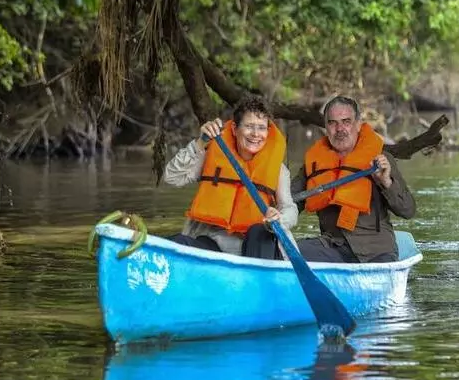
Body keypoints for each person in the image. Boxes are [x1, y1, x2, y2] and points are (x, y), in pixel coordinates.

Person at [163, 95, 298, 259]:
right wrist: (201, 142)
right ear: (234, 129)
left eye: (261, 128)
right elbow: (172, 177)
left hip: (256, 248)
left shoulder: (279, 170)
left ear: (267, 132)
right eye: (249, 126)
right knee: (178, 242)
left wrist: (279, 219)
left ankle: (256, 273)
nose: (255, 134)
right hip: (214, 245)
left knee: (258, 231)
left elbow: (290, 209)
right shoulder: (213, 155)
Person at [291, 95, 415, 263]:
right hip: (333, 247)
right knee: (283, 250)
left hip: (376, 252)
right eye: (332, 123)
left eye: (346, 121)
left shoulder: (380, 160)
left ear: (358, 124)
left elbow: (408, 210)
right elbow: (289, 202)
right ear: (326, 127)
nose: (340, 129)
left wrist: (386, 182)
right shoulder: (313, 164)